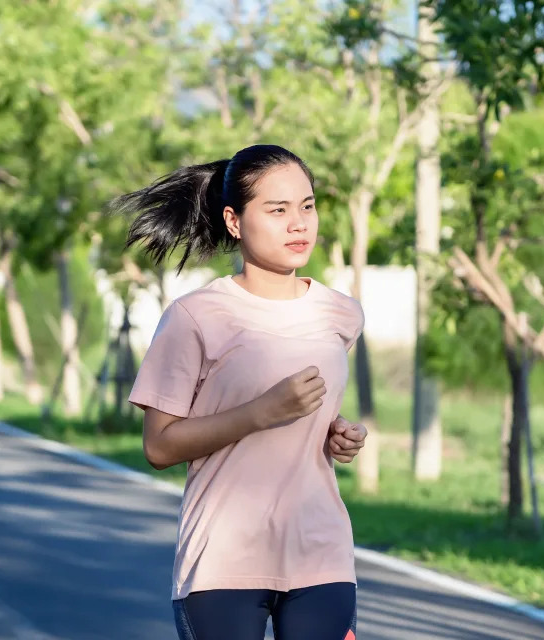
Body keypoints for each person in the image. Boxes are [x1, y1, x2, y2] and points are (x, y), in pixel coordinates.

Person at [112, 144, 368, 640]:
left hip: (321, 552)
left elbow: (317, 418)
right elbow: (159, 446)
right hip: (223, 560)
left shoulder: (341, 313)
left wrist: (341, 435)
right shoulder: (195, 317)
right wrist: (260, 412)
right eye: (278, 210)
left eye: (307, 206)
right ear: (234, 221)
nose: (299, 224)